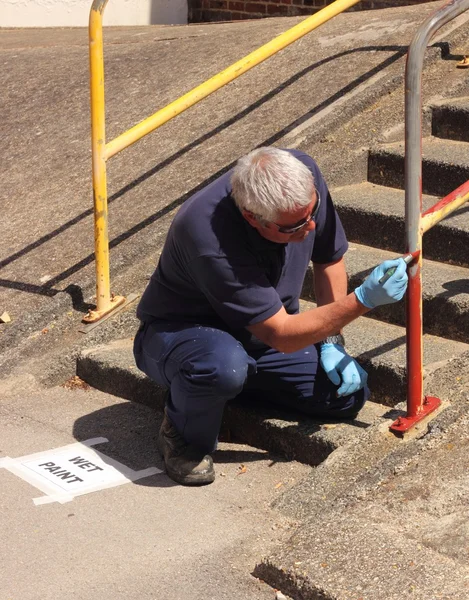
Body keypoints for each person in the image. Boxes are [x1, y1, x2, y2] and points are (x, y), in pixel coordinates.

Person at [134, 147, 408, 486]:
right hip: (183, 334)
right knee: (221, 367)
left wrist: (332, 341)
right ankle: (183, 432)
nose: (309, 229)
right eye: (293, 227)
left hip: (259, 335)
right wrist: (363, 300)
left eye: (313, 213)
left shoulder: (302, 176)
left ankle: (221, 388)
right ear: (252, 217)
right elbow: (281, 333)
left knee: (346, 396)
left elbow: (329, 259)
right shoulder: (208, 235)